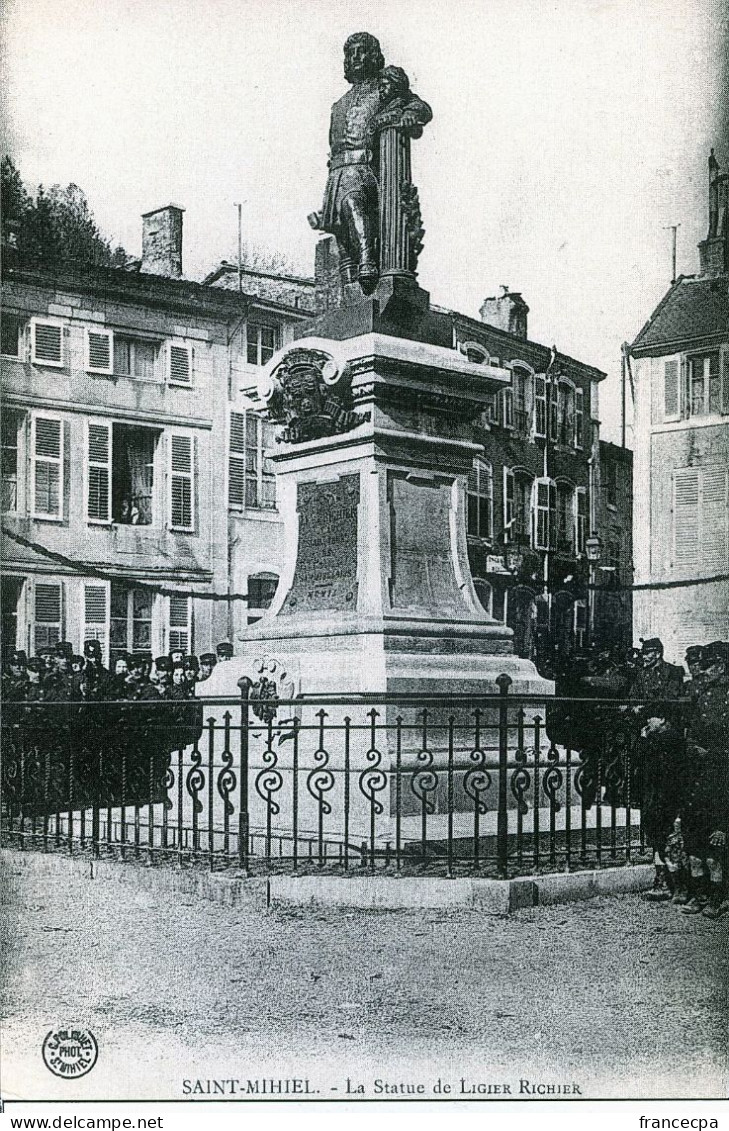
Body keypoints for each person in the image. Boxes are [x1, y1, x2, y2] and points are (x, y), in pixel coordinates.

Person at [308, 33, 431, 290]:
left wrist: (409, 114)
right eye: (349, 54)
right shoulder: (338, 104)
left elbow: (420, 107)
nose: (354, 58)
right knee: (340, 229)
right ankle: (353, 275)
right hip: (337, 171)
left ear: (374, 55)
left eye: (360, 51)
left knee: (352, 202)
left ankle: (367, 263)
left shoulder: (384, 87)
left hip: (366, 170)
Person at [628, 637, 685, 901]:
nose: (644, 657)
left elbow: (671, 701)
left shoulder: (673, 672)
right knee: (651, 807)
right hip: (648, 746)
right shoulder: (640, 676)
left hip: (668, 743)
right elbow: (633, 702)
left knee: (668, 806)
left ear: (657, 653)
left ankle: (677, 879)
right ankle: (661, 873)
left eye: (648, 653)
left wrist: (652, 713)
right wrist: (641, 715)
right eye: (644, 654)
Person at [681, 641, 729, 920]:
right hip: (700, 770)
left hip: (722, 771)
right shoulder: (703, 694)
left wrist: (710, 752)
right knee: (696, 835)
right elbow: (693, 726)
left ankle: (718, 896)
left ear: (721, 666)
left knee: (716, 841)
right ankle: (700, 893)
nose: (703, 670)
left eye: (709, 666)